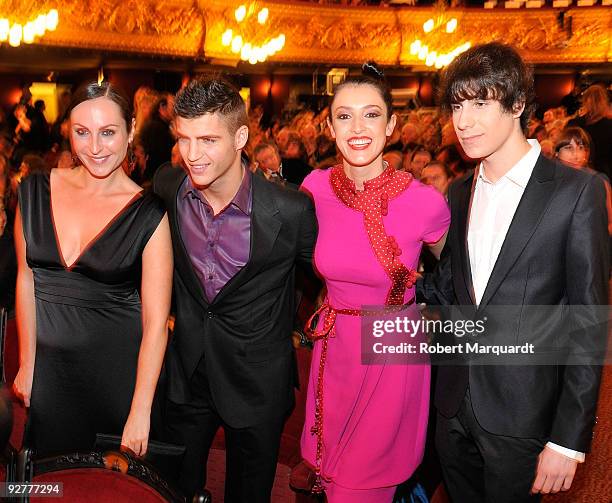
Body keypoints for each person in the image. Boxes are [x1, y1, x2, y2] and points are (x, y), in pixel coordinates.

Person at [418, 42, 609, 503]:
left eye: (481, 103)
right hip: (453, 410)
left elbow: (589, 320)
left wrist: (568, 439)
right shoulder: (459, 193)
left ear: (517, 104)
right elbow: (452, 292)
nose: (463, 121)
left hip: (525, 416)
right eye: (458, 105)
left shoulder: (575, 192)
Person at [153, 78, 317, 502]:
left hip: (258, 379)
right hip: (187, 374)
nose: (192, 154)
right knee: (173, 490)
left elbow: (321, 280)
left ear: (241, 136)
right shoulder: (167, 187)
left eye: (207, 139)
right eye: (184, 139)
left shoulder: (290, 209)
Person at [299, 62, 449, 502]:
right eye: (344, 116)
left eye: (371, 114)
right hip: (334, 348)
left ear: (392, 125)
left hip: (392, 349)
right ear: (329, 126)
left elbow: (456, 276)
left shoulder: (426, 203)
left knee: (362, 488)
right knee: (332, 482)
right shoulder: (314, 188)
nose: (357, 127)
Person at [12, 82, 173, 457]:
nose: (95, 147)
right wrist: (27, 362)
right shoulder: (34, 191)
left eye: (108, 133)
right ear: (68, 130)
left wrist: (140, 410)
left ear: (131, 131)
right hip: (51, 376)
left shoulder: (150, 215)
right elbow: (26, 278)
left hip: (117, 381)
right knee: (44, 486)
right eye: (82, 133)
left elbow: (155, 325)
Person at [554, 126, 612, 235]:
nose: (575, 154)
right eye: (569, 147)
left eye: (580, 148)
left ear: (587, 153)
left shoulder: (598, 181)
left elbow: (610, 222)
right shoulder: (549, 182)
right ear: (557, 152)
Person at [568, 84, 612, 177]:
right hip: (601, 173)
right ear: (604, 102)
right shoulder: (609, 125)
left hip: (577, 170)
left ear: (585, 101)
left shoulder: (574, 123)